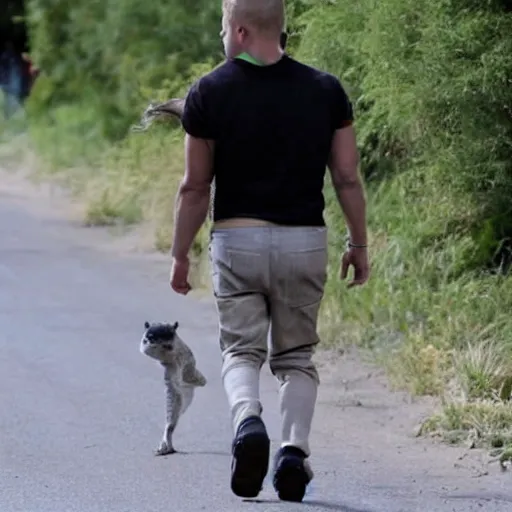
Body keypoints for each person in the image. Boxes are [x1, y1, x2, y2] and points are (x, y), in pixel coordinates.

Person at [169, 0, 370, 503]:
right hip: (304, 241)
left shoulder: (209, 91)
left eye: (221, 28)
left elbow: (195, 187)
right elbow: (346, 176)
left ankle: (248, 423)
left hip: (238, 242)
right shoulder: (325, 90)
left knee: (241, 350)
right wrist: (358, 242)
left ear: (238, 31)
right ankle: (293, 452)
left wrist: (179, 255)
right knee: (297, 357)